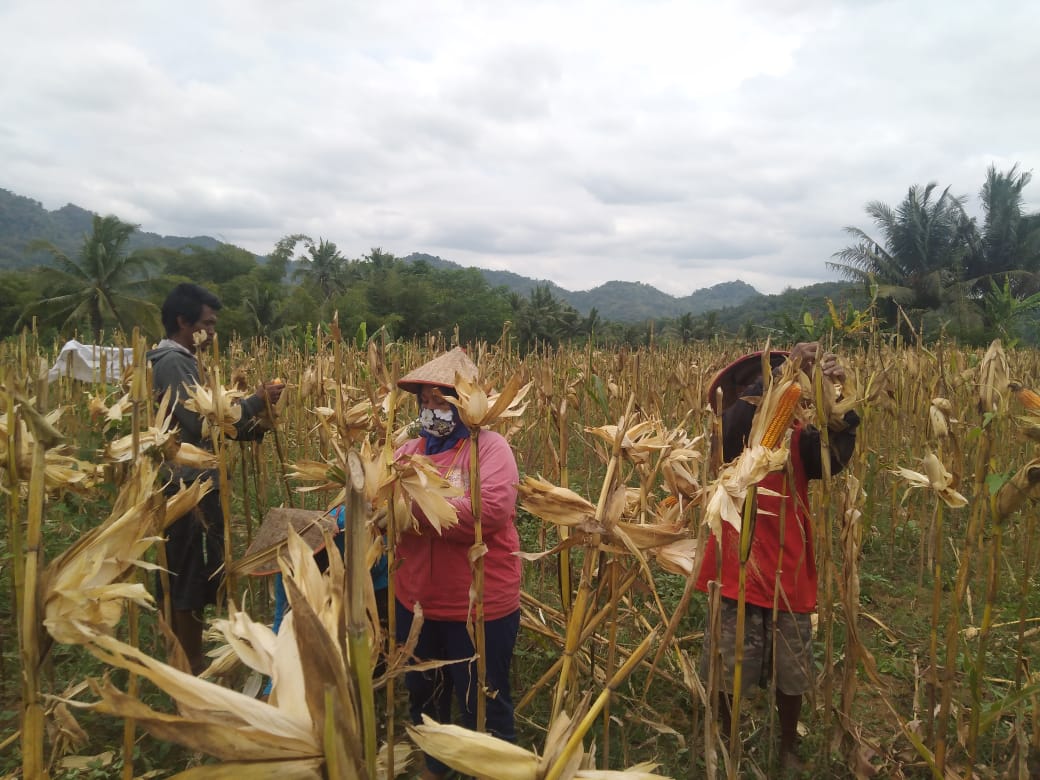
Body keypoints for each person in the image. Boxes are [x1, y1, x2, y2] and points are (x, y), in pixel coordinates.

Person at [695, 341, 860, 769]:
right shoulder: (732, 432)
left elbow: (832, 460)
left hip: (788, 566)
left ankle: (788, 745)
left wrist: (838, 407)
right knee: (729, 662)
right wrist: (778, 384)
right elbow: (734, 425)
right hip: (736, 567)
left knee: (793, 669)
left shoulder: (800, 440)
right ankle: (723, 737)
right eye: (760, 383)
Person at [393, 348, 522, 780]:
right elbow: (382, 507)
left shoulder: (491, 449)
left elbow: (489, 513)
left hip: (480, 607)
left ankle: (492, 769)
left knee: (483, 702)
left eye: (441, 401)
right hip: (416, 605)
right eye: (425, 401)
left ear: (467, 405)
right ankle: (436, 768)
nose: (431, 409)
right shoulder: (408, 451)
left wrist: (416, 509)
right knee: (425, 700)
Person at [148, 282, 284, 675]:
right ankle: (186, 668)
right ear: (183, 321)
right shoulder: (174, 362)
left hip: (196, 486)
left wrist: (258, 425)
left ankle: (186, 664)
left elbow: (219, 425)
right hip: (182, 489)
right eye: (207, 323)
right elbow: (200, 421)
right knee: (185, 582)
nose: (213, 331)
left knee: (193, 579)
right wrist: (255, 401)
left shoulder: (187, 361)